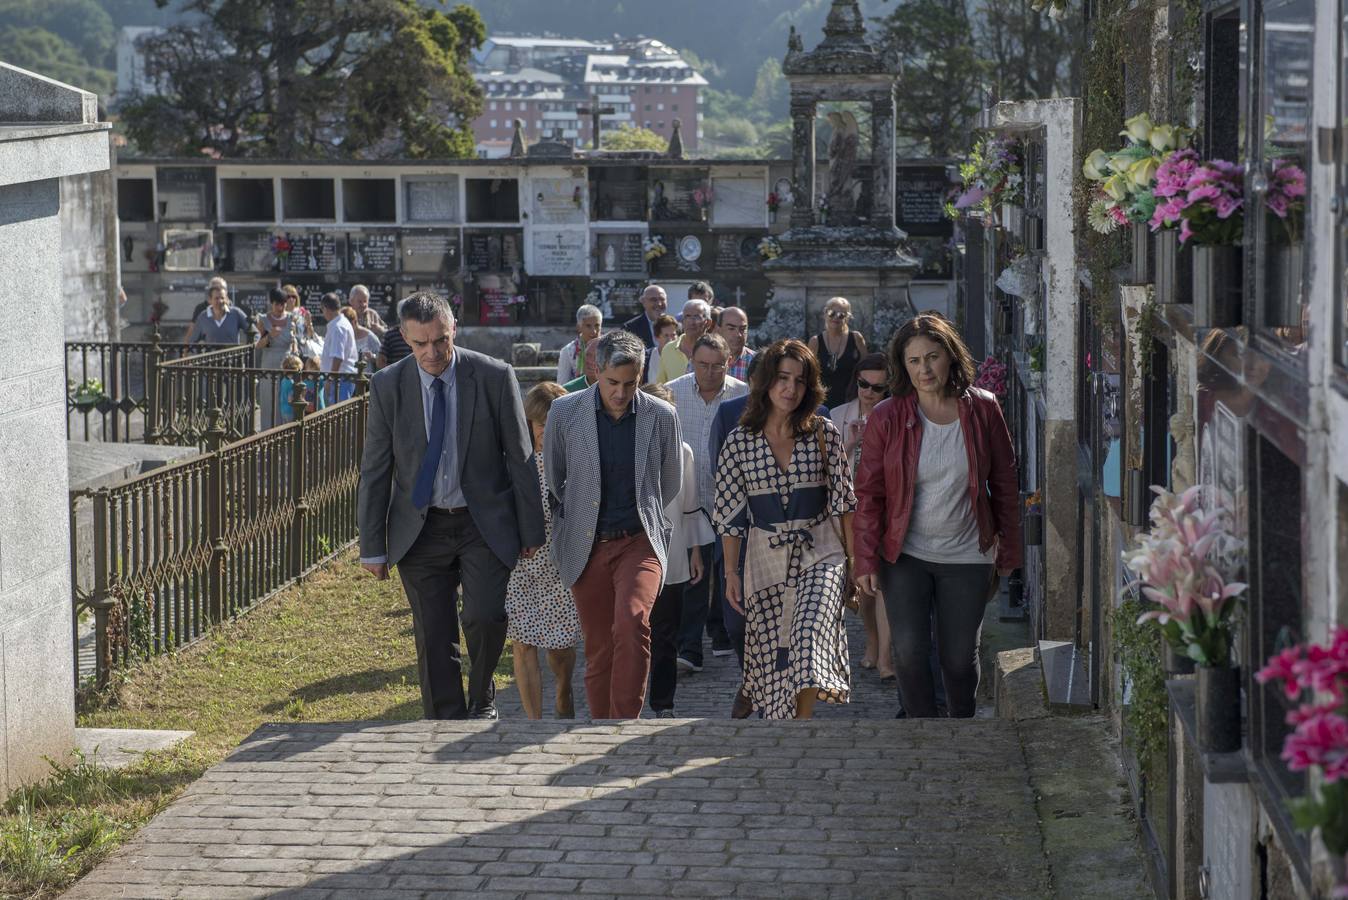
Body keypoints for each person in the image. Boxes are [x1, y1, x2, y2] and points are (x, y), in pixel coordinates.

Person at [358, 292, 545, 721]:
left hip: (482, 522)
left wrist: (531, 530)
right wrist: (372, 546)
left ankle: (482, 699)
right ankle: (443, 719)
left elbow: (519, 457)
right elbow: (375, 468)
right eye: (420, 344)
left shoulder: (494, 376)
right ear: (404, 338)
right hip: (419, 528)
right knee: (433, 632)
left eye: (440, 340)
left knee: (484, 616)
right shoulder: (388, 385)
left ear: (453, 329)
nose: (432, 352)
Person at [853, 313, 1022, 719]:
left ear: (950, 357)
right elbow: (869, 493)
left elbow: (1004, 483)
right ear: (903, 366)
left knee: (959, 657)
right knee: (908, 652)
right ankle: (923, 731)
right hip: (905, 553)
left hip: (967, 553)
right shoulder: (887, 417)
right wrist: (865, 559)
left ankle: (960, 726)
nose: (924, 369)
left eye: (932, 357)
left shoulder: (983, 409)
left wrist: (1010, 551)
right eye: (914, 361)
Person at [543, 330, 683, 719]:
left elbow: (669, 480)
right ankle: (599, 727)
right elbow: (556, 479)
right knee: (600, 643)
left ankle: (625, 724)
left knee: (633, 622)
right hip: (586, 543)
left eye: (630, 383)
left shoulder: (661, 415)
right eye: (612, 383)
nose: (620, 393)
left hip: (639, 540)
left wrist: (642, 513)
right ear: (596, 372)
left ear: (640, 376)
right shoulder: (565, 412)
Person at [713, 339, 854, 720]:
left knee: (807, 636)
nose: (791, 389)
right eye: (782, 378)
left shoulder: (824, 434)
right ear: (765, 383)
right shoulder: (739, 442)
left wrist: (854, 565)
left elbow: (844, 504)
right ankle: (769, 706)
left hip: (821, 550)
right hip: (764, 558)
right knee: (776, 649)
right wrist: (730, 571)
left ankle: (802, 725)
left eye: (800, 381)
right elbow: (729, 514)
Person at [665, 334, 748, 673]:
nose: (710, 372)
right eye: (703, 365)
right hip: (686, 498)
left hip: (729, 498)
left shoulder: (743, 394)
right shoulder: (674, 391)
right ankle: (689, 648)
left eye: (717, 366)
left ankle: (723, 632)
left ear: (729, 363)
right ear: (692, 363)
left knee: (725, 570)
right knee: (692, 576)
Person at [507, 382, 581, 720]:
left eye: (555, 426)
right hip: (519, 565)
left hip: (560, 564)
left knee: (560, 647)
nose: (546, 434)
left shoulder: (576, 463)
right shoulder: (512, 460)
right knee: (522, 644)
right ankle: (533, 723)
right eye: (541, 426)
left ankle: (564, 693)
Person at [640, 382, 710, 718]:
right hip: (635, 553)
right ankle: (630, 697)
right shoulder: (629, 449)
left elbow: (690, 505)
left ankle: (663, 702)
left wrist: (696, 550)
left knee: (666, 634)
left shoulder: (684, 452)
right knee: (635, 631)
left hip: (673, 554)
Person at [830, 352, 895, 680]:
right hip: (849, 512)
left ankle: (885, 657)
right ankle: (871, 638)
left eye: (877, 387)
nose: (868, 392)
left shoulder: (895, 416)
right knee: (863, 586)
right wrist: (852, 440)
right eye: (863, 384)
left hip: (885, 509)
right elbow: (826, 466)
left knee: (882, 583)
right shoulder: (839, 415)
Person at [808, 296, 868, 408]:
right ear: (825, 314)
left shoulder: (856, 338)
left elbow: (866, 369)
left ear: (847, 318)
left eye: (841, 315)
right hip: (822, 402)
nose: (836, 317)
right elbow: (808, 373)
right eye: (832, 313)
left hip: (850, 401)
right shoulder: (815, 341)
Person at [257, 288, 301, 429]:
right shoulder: (263, 319)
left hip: (286, 365)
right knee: (269, 401)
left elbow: (294, 340)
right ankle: (267, 435)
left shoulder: (291, 318)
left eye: (283, 304)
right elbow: (257, 345)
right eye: (277, 304)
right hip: (269, 363)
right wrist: (270, 336)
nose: (280, 308)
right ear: (272, 304)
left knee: (285, 400)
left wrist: (295, 349)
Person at [655, 298, 711, 384]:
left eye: (697, 316)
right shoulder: (668, 349)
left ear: (708, 323)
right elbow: (661, 385)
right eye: (687, 316)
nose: (691, 322)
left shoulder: (714, 350)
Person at [318, 292, 357, 403]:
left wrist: (330, 380)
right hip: (342, 379)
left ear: (326, 308)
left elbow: (338, 357)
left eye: (322, 310)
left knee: (339, 417)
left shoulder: (338, 327)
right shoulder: (340, 323)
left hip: (340, 380)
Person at [184, 280, 249, 346]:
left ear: (226, 298)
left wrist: (251, 347)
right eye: (216, 298)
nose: (220, 301)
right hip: (212, 356)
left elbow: (253, 331)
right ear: (210, 300)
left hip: (232, 356)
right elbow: (192, 340)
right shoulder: (203, 317)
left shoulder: (236, 313)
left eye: (222, 298)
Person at [558, 304, 603, 384]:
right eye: (588, 326)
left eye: (597, 325)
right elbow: (562, 385)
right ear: (579, 327)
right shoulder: (568, 351)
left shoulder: (609, 348)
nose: (594, 331)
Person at [622, 283, 669, 349]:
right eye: (653, 300)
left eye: (662, 299)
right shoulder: (630, 328)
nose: (659, 303)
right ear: (644, 302)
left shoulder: (676, 327)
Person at [716, 307, 754, 381]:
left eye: (742, 329)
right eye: (731, 328)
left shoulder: (757, 363)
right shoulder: (702, 360)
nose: (738, 334)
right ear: (718, 330)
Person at [342, 306, 381, 372]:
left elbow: (381, 357)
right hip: (346, 375)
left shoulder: (369, 336)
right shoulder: (342, 335)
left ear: (354, 322)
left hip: (365, 377)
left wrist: (372, 356)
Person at [378, 299, 413, 369]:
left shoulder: (418, 333)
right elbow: (381, 359)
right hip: (396, 375)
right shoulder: (390, 334)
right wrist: (390, 375)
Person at [645, 314, 678, 385]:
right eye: (666, 335)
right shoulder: (647, 357)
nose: (670, 340)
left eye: (673, 335)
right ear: (657, 337)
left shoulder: (683, 355)